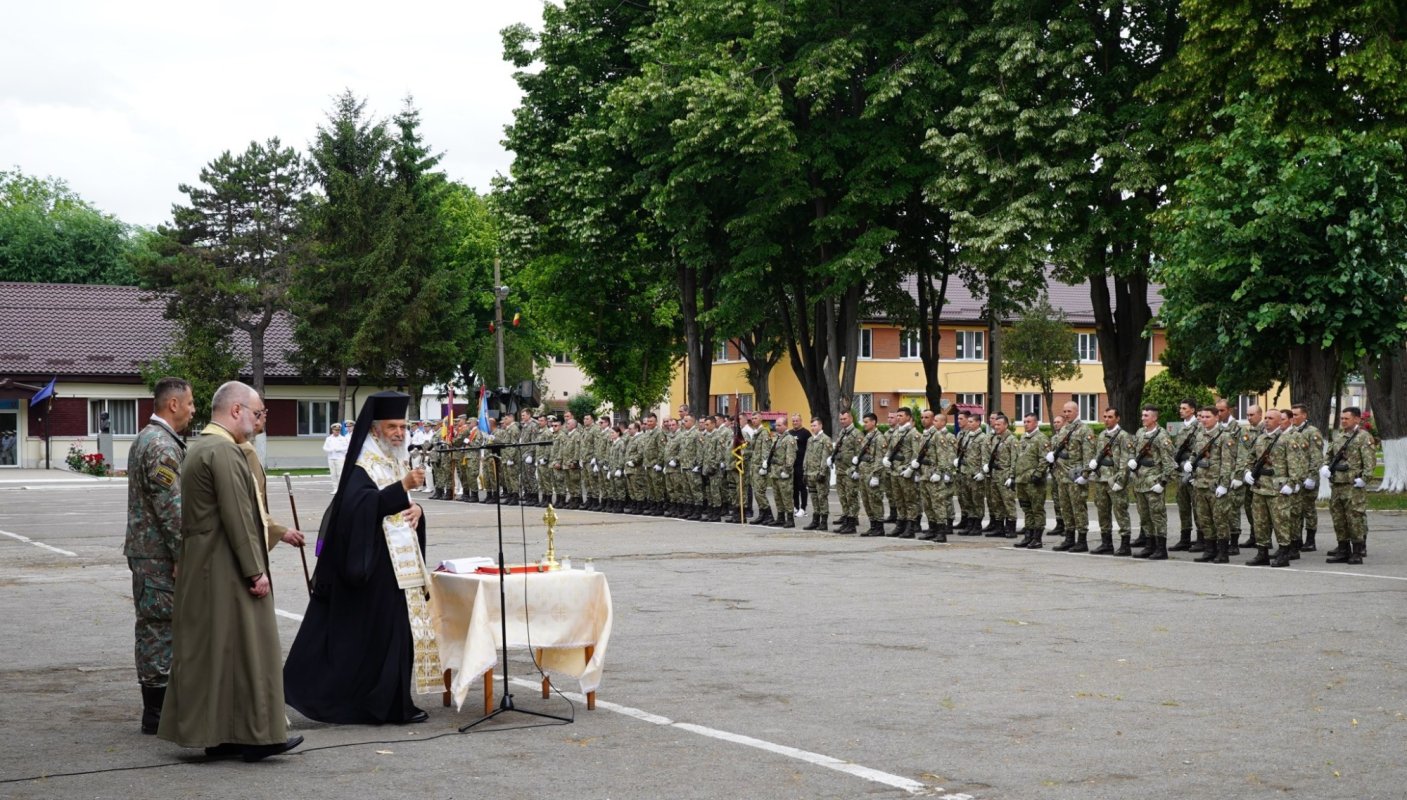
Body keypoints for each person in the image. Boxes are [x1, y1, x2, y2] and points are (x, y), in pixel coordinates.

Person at [159, 381, 302, 761]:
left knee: (219, 655)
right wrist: (256, 571)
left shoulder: (202, 446)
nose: (259, 422)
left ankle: (223, 735)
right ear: (235, 410)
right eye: (256, 413)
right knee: (252, 651)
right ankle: (259, 734)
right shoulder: (223, 451)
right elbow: (239, 517)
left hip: (207, 564)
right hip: (224, 566)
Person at [283, 391, 438, 725]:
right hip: (374, 568)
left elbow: (401, 507)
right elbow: (356, 510)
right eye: (392, 426)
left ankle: (397, 704)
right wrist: (401, 489)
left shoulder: (394, 461)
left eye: (403, 426)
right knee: (373, 639)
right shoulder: (360, 467)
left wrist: (417, 508)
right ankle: (366, 704)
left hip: (401, 567)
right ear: (374, 430)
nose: (399, 432)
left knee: (399, 635)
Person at [125, 376, 194, 735]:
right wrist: (183, 554)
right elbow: (171, 508)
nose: (193, 410)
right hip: (158, 556)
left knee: (155, 628)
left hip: (147, 552)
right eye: (191, 404)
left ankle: (158, 708)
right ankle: (156, 712)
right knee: (159, 630)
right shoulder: (161, 445)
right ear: (173, 405)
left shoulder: (147, 438)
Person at [238, 397, 307, 554]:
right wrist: (279, 531)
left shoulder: (246, 445)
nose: (265, 416)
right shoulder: (244, 449)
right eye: (261, 412)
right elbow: (251, 502)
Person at [1323, 407, 1376, 565]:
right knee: (1339, 519)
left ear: (1357, 419)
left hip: (1353, 486)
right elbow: (1330, 455)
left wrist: (1365, 479)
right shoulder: (1339, 436)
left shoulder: (1363, 437)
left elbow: (1369, 462)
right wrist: (1326, 466)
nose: (1343, 421)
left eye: (1347, 418)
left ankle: (1357, 552)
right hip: (1337, 484)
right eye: (1342, 418)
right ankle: (1343, 549)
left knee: (1354, 519)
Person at [1130, 405, 1175, 559]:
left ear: (1155, 418)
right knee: (1144, 515)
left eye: (1146, 415)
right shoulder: (1140, 432)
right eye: (1142, 415)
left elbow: (1169, 464)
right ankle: (1149, 545)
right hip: (1140, 482)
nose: (1143, 418)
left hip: (1154, 482)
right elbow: (1135, 452)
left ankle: (1161, 549)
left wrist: (1162, 483)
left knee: (1157, 515)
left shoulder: (1162, 436)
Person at [1088, 407, 1134, 555]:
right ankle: (1106, 543)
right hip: (1101, 479)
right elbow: (1098, 454)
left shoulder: (1123, 436)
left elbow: (1125, 461)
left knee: (1120, 512)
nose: (1106, 419)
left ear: (1117, 418)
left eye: (1110, 417)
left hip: (1114, 480)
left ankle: (1125, 544)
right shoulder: (1102, 435)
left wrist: (1120, 481)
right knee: (1103, 512)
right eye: (1105, 416)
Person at [1012, 412, 1050, 549]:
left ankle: (1037, 538)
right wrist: (1013, 476)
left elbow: (1045, 459)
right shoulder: (1023, 438)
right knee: (1027, 509)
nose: (1025, 424)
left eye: (1028, 421)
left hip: (1034, 481)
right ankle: (1028, 535)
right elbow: (1018, 459)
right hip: (1021, 480)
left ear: (1036, 423)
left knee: (1037, 509)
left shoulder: (1041, 439)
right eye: (1024, 421)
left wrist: (1038, 474)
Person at [831, 410, 862, 534]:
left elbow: (860, 453)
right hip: (840, 470)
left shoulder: (856, 434)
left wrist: (857, 470)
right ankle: (846, 517)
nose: (842, 421)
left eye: (844, 419)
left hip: (850, 471)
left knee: (852, 497)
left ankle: (852, 523)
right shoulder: (842, 432)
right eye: (841, 419)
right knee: (843, 496)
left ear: (850, 418)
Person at [802, 417, 833, 531]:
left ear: (820, 426)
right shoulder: (810, 440)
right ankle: (815, 520)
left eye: (814, 425)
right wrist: (805, 472)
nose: (812, 428)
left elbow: (825, 457)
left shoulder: (825, 439)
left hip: (820, 474)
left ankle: (824, 522)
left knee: (822, 497)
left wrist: (822, 472)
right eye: (811, 426)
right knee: (814, 497)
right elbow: (807, 456)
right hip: (810, 473)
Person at [789, 413, 811, 515]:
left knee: (802, 486)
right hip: (792, 464)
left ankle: (803, 508)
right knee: (794, 487)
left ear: (801, 421)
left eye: (797, 420)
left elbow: (809, 448)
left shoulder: (806, 433)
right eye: (793, 421)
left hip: (801, 464)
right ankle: (796, 506)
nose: (795, 423)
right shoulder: (789, 433)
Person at [324, 423, 348, 493]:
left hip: (340, 458)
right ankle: (335, 488)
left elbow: (346, 447)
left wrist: (339, 449)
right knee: (333, 474)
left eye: (338, 430)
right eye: (335, 430)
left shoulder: (343, 439)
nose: (337, 431)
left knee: (340, 474)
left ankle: (341, 489)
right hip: (331, 458)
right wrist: (330, 450)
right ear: (332, 430)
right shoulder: (329, 439)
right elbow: (325, 447)